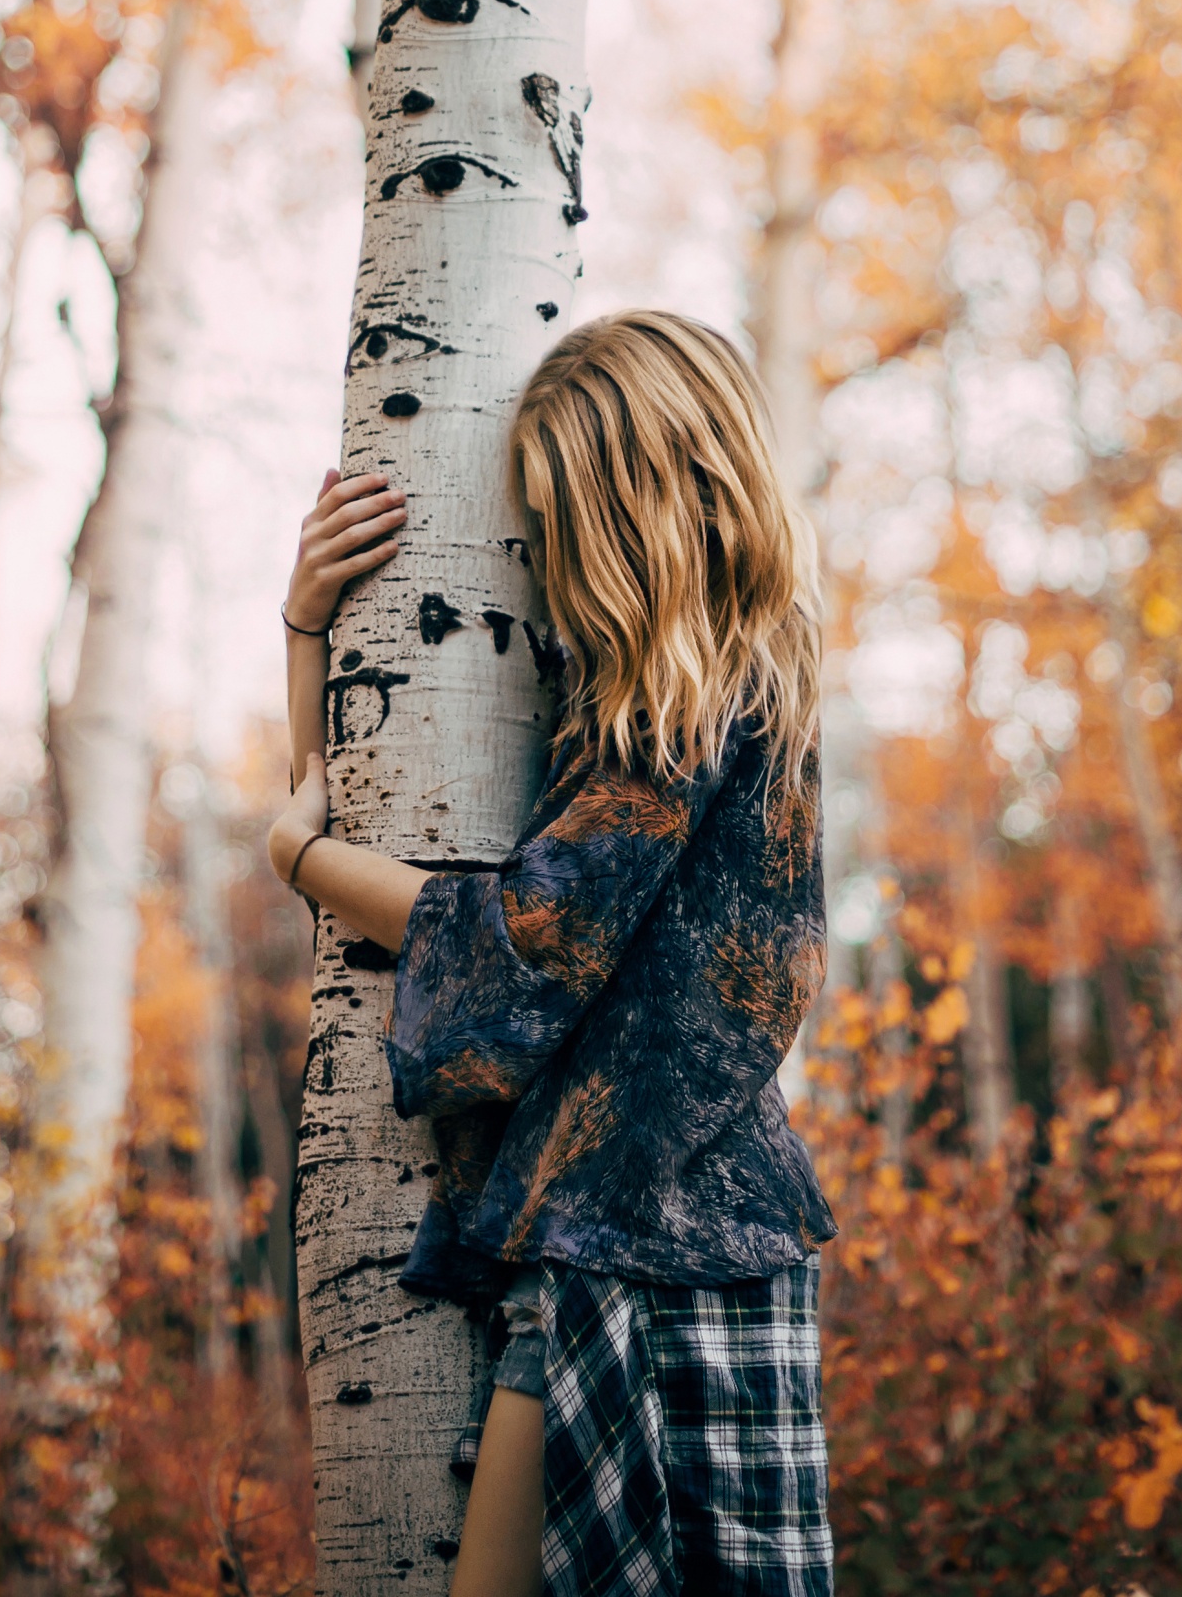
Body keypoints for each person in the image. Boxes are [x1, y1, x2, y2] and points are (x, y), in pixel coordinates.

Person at [269, 309, 836, 1597]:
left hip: (664, 1251)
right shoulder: (661, 689)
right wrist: (309, 631)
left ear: (637, 508)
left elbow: (525, 941)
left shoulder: (691, 702)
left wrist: (299, 863)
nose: (551, 561)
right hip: (617, 1239)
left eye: (558, 523)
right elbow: (342, 813)